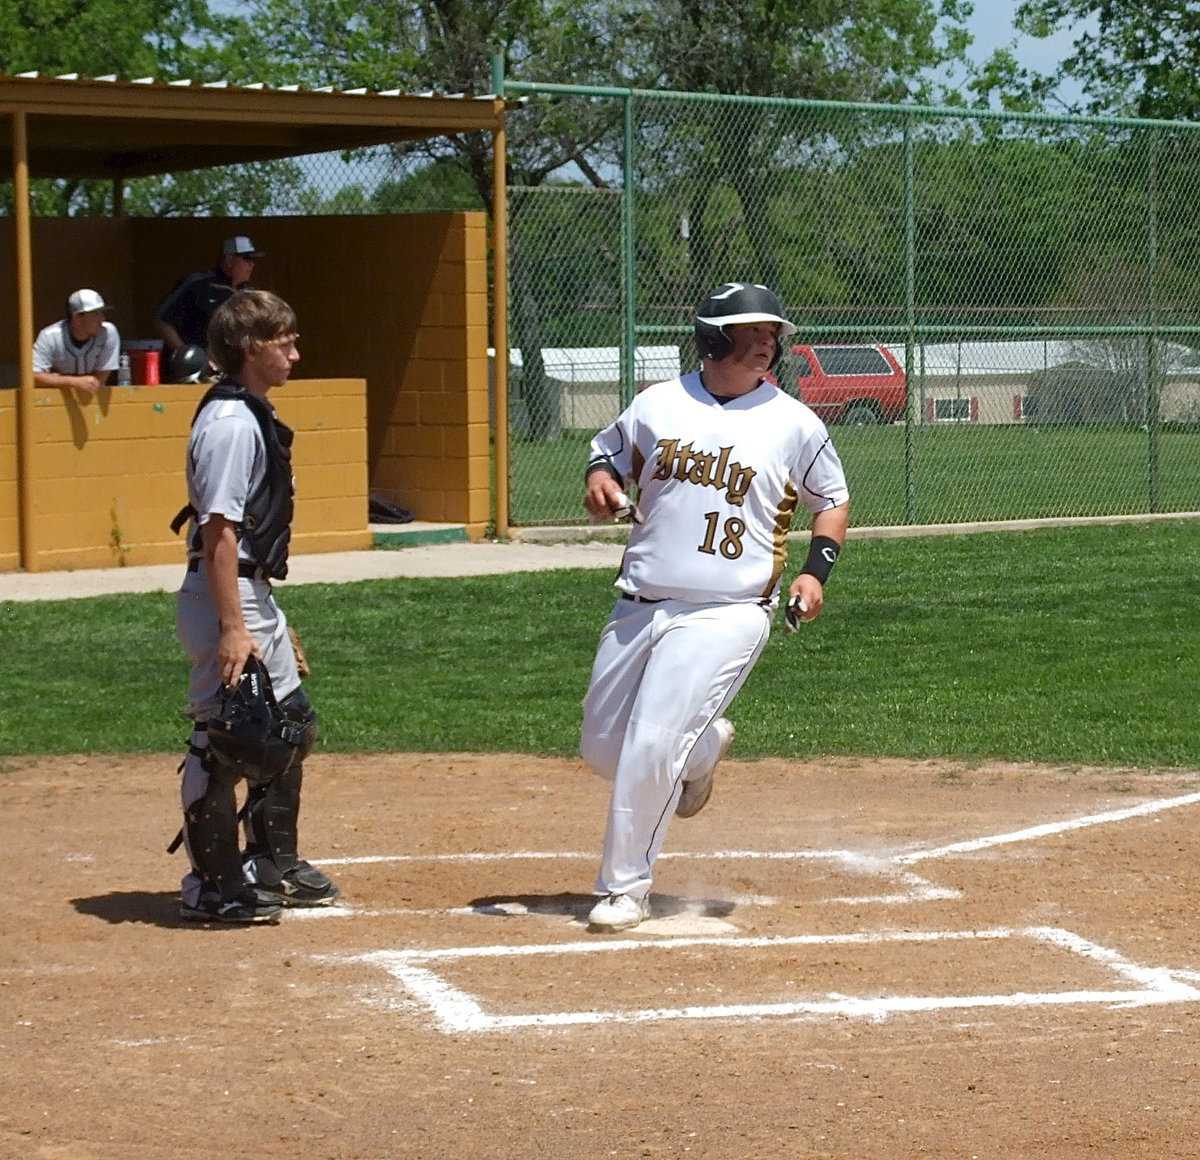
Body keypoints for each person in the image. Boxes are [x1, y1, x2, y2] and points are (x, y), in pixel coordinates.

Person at [579, 281, 851, 933]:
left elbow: (831, 499)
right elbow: (605, 455)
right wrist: (599, 482)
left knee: (649, 747)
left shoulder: (793, 422)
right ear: (713, 338)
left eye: (772, 334)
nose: (767, 343)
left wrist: (816, 573)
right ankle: (700, 754)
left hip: (728, 612)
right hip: (640, 604)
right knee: (602, 748)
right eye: (753, 332)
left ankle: (624, 886)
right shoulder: (658, 405)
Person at [173, 288, 339, 923]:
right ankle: (213, 885)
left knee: (290, 726)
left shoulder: (252, 413)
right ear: (248, 349)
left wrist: (265, 618)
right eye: (283, 342)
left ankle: (273, 864)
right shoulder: (231, 424)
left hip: (250, 593)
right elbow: (219, 532)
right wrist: (235, 628)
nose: (295, 353)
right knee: (226, 738)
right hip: (224, 596)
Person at [154, 235, 265, 355]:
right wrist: (188, 355)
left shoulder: (249, 292)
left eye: (254, 260)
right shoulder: (197, 285)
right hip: (196, 368)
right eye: (247, 259)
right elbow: (162, 320)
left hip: (230, 367)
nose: (252, 264)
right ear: (229, 260)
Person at [32, 288, 121, 397]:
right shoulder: (50, 336)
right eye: (95, 314)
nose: (102, 318)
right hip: (56, 403)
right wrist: (75, 382)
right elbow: (33, 377)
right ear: (77, 317)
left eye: (101, 312)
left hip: (91, 402)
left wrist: (55, 378)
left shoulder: (108, 332)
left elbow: (97, 381)